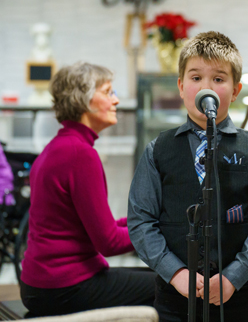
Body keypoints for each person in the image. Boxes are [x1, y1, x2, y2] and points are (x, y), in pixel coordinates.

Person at [128, 31, 248, 322]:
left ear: (235, 90)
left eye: (219, 79)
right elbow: (141, 221)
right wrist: (175, 272)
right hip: (174, 299)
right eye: (196, 78)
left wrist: (233, 277)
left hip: (240, 297)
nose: (206, 88)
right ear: (181, 86)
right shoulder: (157, 151)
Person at [20, 62, 156, 316]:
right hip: (62, 287)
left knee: (159, 278)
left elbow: (101, 227)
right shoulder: (79, 154)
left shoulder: (58, 147)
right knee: (172, 288)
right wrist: (160, 229)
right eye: (108, 92)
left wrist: (149, 220)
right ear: (82, 99)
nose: (116, 100)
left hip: (41, 284)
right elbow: (109, 243)